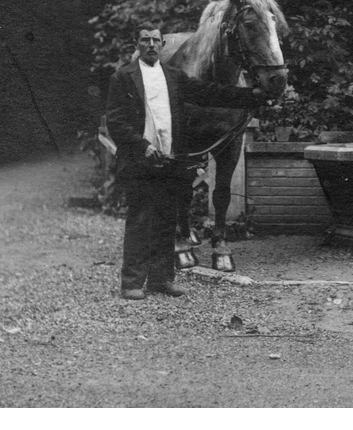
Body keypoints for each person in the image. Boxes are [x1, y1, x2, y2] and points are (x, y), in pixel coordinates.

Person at [106, 25, 266, 301]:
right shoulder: (123, 77)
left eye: (156, 40)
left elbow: (210, 93)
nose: (152, 45)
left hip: (172, 160)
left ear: (163, 43)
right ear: (138, 44)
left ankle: (161, 279)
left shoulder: (174, 76)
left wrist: (251, 95)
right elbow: (116, 122)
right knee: (140, 220)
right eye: (145, 40)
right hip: (141, 160)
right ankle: (131, 282)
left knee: (168, 220)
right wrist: (142, 147)